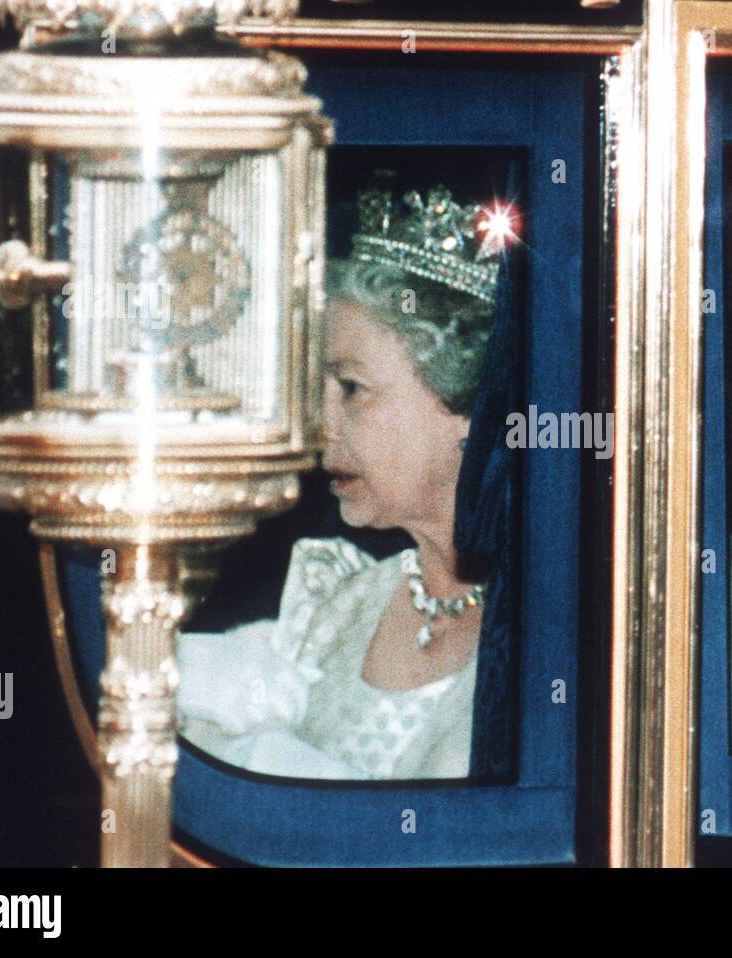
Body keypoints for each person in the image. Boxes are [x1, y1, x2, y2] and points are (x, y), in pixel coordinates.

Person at [177, 178, 515, 778]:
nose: (319, 427)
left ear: (468, 400)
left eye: (352, 388)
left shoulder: (558, 622)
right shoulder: (337, 605)